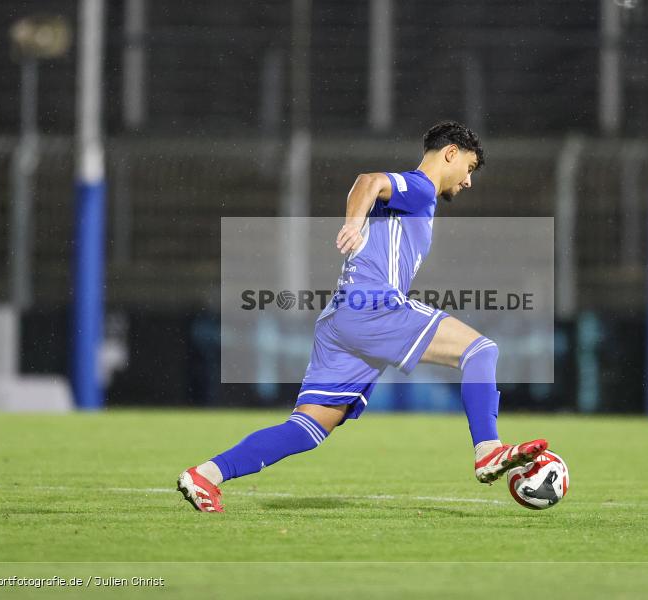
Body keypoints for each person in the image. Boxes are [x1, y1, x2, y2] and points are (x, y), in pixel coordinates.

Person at [178, 121, 548, 512]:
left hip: (340, 319)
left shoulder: (417, 198)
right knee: (481, 351)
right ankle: (488, 450)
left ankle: (206, 474)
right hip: (373, 307)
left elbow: (371, 190)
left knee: (307, 428)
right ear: (450, 154)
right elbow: (367, 181)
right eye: (470, 168)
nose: (469, 181)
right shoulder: (421, 187)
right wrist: (353, 223)